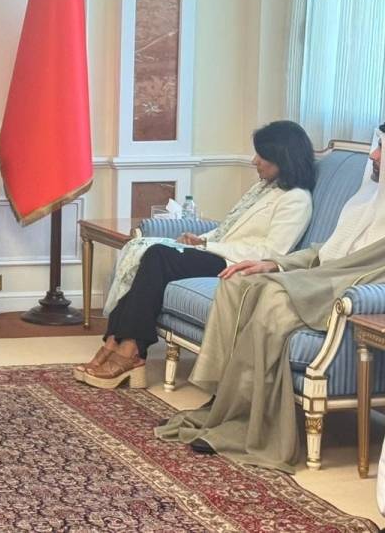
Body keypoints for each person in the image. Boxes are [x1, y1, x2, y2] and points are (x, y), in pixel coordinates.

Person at [156, 124, 385, 471]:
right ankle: (225, 400)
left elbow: (357, 268)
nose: (374, 155)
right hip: (320, 276)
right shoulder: (367, 199)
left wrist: (292, 276)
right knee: (238, 282)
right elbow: (325, 252)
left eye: (381, 149)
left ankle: (250, 420)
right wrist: (274, 263)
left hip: (343, 290)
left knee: (272, 297)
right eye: (376, 146)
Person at [78, 120, 316, 389]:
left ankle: (130, 349)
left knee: (158, 255)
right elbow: (229, 228)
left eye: (262, 155)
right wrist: (202, 239)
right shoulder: (263, 189)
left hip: (236, 264)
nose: (254, 161)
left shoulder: (297, 199)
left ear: (282, 157)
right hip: (219, 252)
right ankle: (115, 342)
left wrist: (208, 247)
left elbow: (271, 252)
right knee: (146, 253)